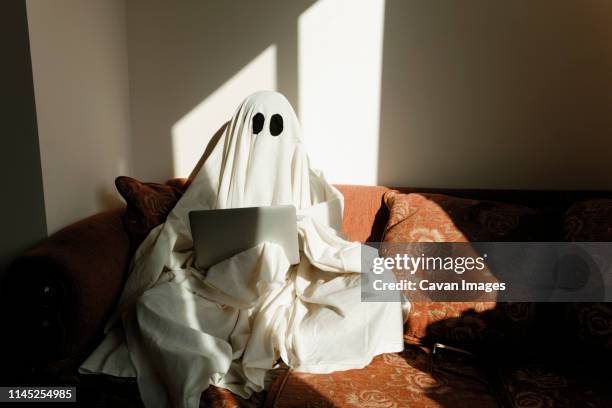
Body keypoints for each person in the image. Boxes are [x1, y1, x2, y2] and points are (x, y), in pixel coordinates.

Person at [80, 91, 404, 408]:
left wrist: (302, 231)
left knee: (378, 285)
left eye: (276, 127)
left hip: (291, 289)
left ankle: (280, 343)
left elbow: (332, 238)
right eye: (257, 125)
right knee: (150, 305)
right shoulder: (214, 177)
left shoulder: (309, 177)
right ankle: (205, 368)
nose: (265, 136)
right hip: (215, 287)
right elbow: (177, 234)